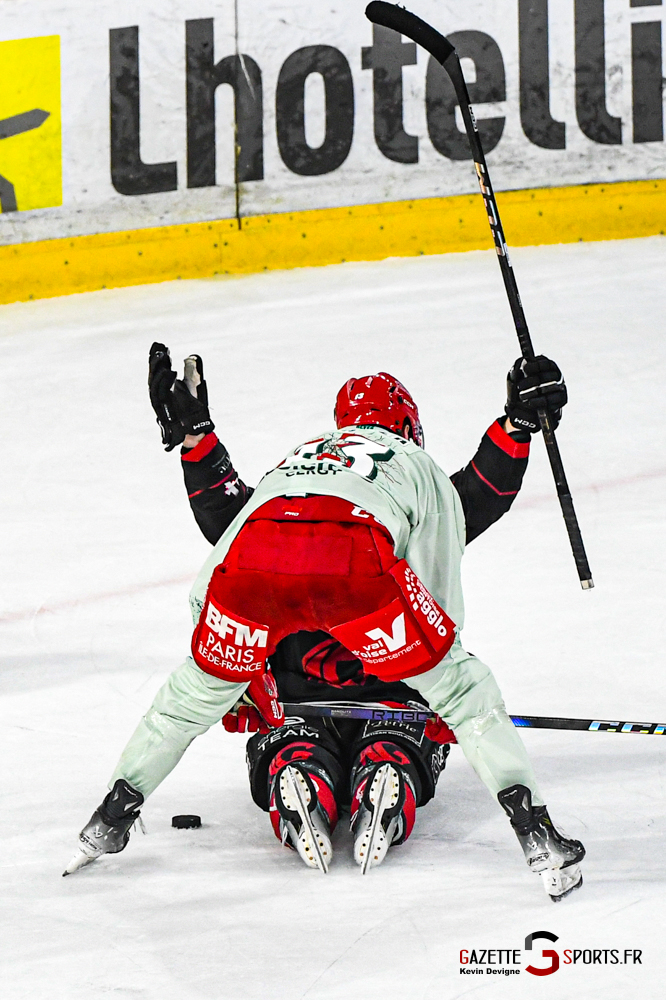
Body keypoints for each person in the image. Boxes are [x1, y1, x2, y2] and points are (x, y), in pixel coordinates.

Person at [65, 350, 584, 900]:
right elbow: (456, 537)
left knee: (182, 703)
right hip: (359, 590)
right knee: (464, 691)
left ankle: (113, 816)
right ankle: (530, 831)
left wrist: (229, 676)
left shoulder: (301, 459)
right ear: (410, 427)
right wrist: (442, 678)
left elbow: (230, 533)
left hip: (256, 594)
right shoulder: (414, 465)